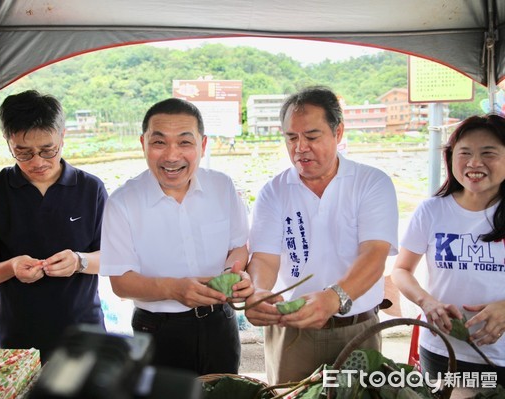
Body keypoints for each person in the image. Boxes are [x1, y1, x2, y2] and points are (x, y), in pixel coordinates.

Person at [245, 86, 399, 384]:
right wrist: (260, 292)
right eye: (291, 137)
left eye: (312, 137)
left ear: (338, 133)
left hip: (357, 329)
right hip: (291, 331)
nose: (300, 147)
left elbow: (374, 254)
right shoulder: (273, 191)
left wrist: (335, 297)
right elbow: (264, 257)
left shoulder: (371, 183)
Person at [100, 97, 252, 375]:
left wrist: (233, 274)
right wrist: (174, 289)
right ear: (143, 143)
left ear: (202, 145)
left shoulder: (222, 186)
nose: (171, 156)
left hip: (220, 324)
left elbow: (239, 247)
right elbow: (121, 283)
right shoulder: (122, 202)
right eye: (159, 142)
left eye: (184, 142)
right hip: (157, 330)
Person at [0, 90, 107, 363]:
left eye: (48, 150)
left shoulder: (90, 188)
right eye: (23, 152)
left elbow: (113, 257)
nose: (37, 162)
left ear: (62, 136)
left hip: (86, 334)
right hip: (18, 339)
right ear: (8, 142)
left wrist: (79, 261)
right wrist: (10, 268)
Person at [392, 114, 505, 384]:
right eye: (464, 153)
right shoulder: (432, 210)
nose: (474, 163)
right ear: (451, 157)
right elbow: (402, 270)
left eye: (488, 153)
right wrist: (426, 301)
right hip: (442, 350)